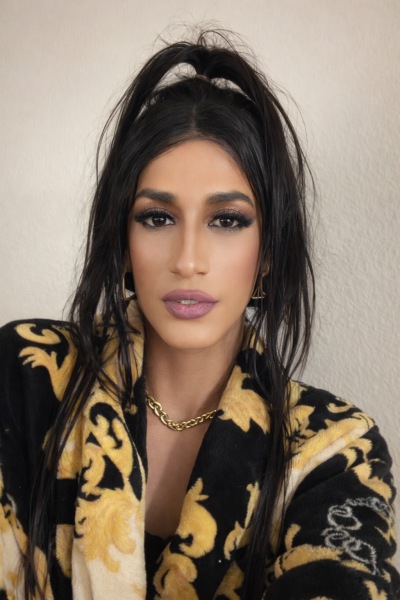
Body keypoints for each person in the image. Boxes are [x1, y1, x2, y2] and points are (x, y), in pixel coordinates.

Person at [0, 29, 398, 600]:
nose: (188, 260)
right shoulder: (27, 378)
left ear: (268, 253)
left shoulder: (334, 451)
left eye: (227, 220)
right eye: (157, 218)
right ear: (122, 242)